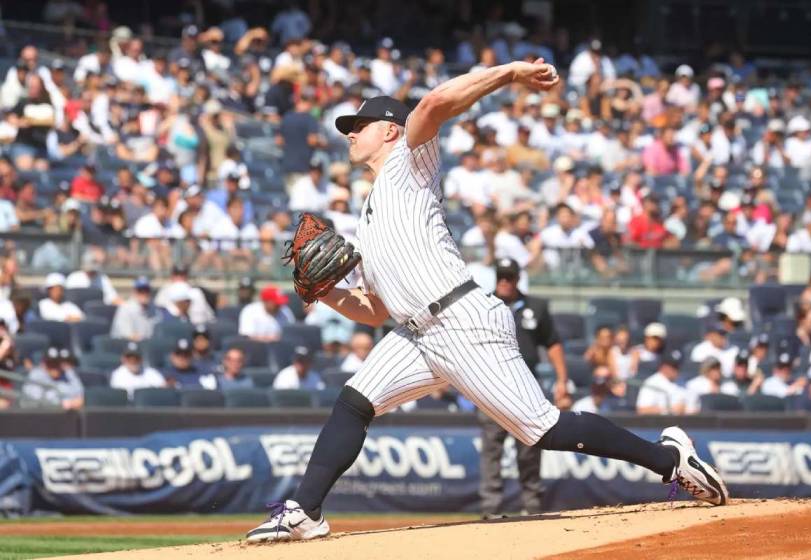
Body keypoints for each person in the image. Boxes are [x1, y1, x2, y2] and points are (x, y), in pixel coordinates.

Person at [247, 60, 726, 543]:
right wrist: (327, 294)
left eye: (360, 126)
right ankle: (305, 511)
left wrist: (511, 73)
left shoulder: (408, 164)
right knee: (354, 403)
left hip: (460, 320)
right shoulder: (368, 217)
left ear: (391, 131)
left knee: (542, 430)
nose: (350, 134)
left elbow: (433, 103)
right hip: (416, 332)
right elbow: (373, 311)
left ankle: (669, 459)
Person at [479, 258, 569, 519]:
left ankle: (532, 507)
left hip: (526, 389)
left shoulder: (536, 307)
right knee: (491, 450)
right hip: (490, 387)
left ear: (518, 279)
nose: (505, 281)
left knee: (530, 447)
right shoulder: (482, 304)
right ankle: (490, 510)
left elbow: (552, 343)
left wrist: (563, 379)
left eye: (510, 277)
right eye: (501, 277)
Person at [636, 349, 687, 415]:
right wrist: (669, 409)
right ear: (663, 367)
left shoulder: (683, 381)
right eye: (673, 367)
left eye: (678, 366)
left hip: (685, 422)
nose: (676, 370)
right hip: (660, 423)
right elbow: (642, 410)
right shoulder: (651, 383)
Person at [111, 276, 161, 341]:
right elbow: (128, 336)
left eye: (146, 290)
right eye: (140, 290)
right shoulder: (126, 308)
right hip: (123, 346)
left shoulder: (154, 309)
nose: (144, 293)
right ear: (134, 291)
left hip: (147, 346)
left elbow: (159, 331)